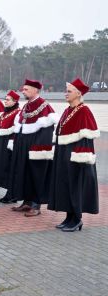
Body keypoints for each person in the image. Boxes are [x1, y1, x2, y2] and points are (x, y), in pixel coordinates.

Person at [49, 78, 99, 232]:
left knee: (75, 186)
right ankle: (68, 216)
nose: (66, 94)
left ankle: (77, 219)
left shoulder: (84, 111)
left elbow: (86, 138)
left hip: (75, 156)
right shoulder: (68, 110)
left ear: (78, 94)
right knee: (65, 185)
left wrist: (80, 157)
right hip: (63, 153)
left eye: (69, 91)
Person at [10, 79, 58, 216]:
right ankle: (27, 202)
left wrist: (39, 148)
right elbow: (21, 126)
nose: (23, 91)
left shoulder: (44, 106)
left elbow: (47, 130)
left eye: (26, 89)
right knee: (24, 174)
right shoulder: (27, 105)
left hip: (36, 147)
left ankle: (36, 205)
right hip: (24, 145)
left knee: (36, 175)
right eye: (23, 89)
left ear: (35, 90)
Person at [0, 90, 21, 203]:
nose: (5, 101)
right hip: (0, 142)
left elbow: (16, 129)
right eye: (5, 99)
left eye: (8, 100)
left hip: (8, 144)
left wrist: (11, 142)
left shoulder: (18, 112)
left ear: (15, 101)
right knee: (0, 167)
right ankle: (8, 193)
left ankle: (11, 194)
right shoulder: (5, 112)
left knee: (9, 168)